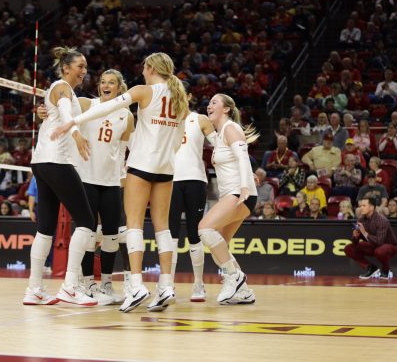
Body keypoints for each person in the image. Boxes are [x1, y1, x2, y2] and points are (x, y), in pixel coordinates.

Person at [51, 52, 188, 313]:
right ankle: (166, 285)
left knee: (133, 225)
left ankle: (136, 285)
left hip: (141, 166)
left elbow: (109, 107)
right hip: (167, 167)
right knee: (163, 228)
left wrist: (73, 121)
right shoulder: (181, 98)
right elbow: (180, 137)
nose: (143, 71)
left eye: (144, 67)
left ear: (150, 68)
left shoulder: (143, 91)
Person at [24, 47, 97, 307]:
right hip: (57, 161)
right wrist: (76, 135)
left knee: (45, 228)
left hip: (41, 162)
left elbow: (60, 111)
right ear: (66, 67)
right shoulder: (62, 87)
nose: (84, 72)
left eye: (86, 67)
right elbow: (66, 112)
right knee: (87, 221)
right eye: (81, 66)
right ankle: (69, 286)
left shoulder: (60, 90)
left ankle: (34, 289)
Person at [64, 69, 135, 305]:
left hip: (111, 181)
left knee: (112, 235)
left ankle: (105, 284)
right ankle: (88, 284)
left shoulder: (126, 116)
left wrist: (124, 178)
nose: (106, 85)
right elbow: (61, 109)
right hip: (85, 179)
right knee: (88, 233)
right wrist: (44, 111)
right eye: (103, 82)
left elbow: (125, 151)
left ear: (119, 88)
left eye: (111, 82)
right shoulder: (86, 104)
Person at [197, 93, 259, 305]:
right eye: (208, 102)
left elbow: (243, 157)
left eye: (214, 102)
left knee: (205, 229)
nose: (209, 105)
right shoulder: (221, 133)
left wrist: (244, 186)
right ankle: (244, 292)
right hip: (233, 194)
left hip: (239, 194)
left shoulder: (231, 128)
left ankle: (234, 277)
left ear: (226, 109)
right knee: (219, 246)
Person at [165, 81, 217, 302]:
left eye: (179, 93)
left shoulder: (200, 120)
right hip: (170, 181)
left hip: (195, 180)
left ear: (189, 95)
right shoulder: (164, 121)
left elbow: (220, 146)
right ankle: (167, 286)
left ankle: (199, 285)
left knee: (195, 234)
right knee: (170, 235)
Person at [345, 198, 397, 280]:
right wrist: (355, 237)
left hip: (389, 246)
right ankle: (371, 268)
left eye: (364, 206)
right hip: (372, 245)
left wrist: (364, 232)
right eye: (360, 206)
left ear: (372, 207)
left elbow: (379, 242)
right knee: (349, 248)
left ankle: (385, 270)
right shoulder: (361, 219)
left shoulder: (381, 220)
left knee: (379, 251)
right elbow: (355, 242)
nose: (361, 208)